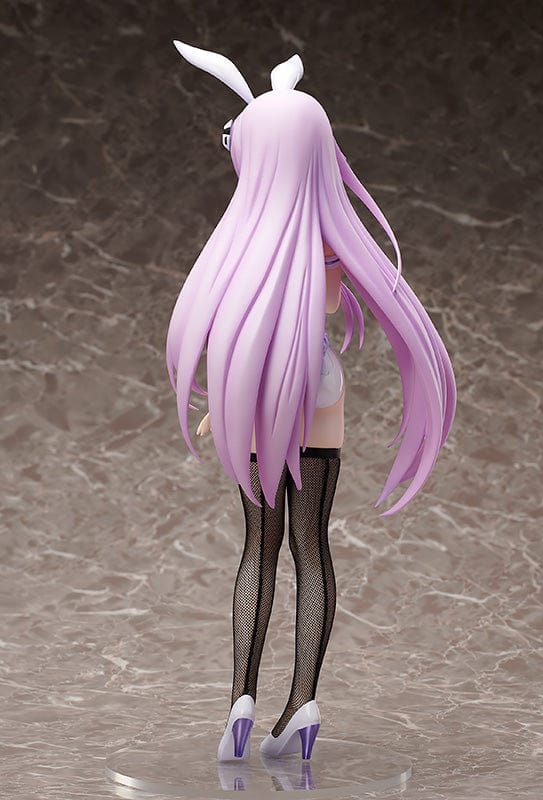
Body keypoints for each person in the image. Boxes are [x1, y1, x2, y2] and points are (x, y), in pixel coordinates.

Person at [166, 42, 456, 762]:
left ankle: (241, 700)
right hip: (319, 387)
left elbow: (239, 326)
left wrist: (224, 402)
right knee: (311, 545)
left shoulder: (240, 240)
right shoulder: (325, 236)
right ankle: (303, 703)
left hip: (260, 384)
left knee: (258, 547)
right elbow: (325, 303)